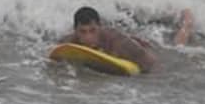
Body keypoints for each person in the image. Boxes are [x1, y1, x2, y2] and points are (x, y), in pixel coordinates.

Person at [59, 6, 195, 73]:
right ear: (75, 30)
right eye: (83, 32)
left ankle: (186, 23)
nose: (88, 37)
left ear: (99, 28)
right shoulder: (71, 39)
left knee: (176, 48)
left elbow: (153, 64)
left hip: (147, 49)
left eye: (92, 31)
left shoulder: (118, 42)